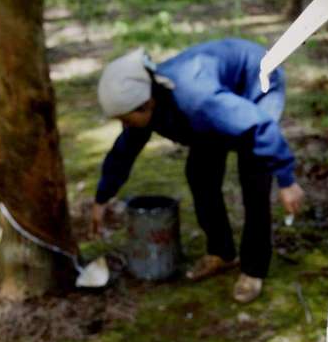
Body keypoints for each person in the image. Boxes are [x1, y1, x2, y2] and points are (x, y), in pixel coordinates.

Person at [91, 38, 304, 303]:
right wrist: (102, 198)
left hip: (257, 79)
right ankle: (222, 252)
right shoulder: (147, 103)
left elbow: (259, 126)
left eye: (125, 119)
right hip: (219, 100)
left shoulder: (196, 100)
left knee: (254, 176)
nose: (125, 125)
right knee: (200, 174)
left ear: (147, 104)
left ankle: (253, 268)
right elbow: (123, 153)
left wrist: (287, 180)